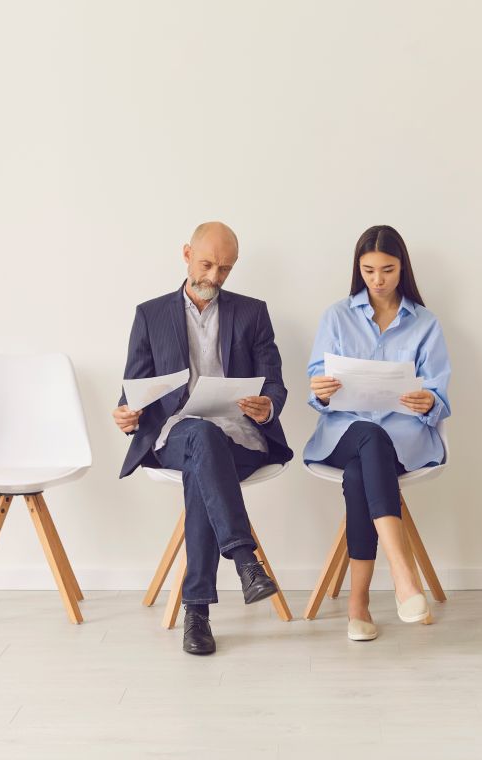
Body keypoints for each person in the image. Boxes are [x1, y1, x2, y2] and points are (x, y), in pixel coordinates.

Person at [114, 221, 293, 656]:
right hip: (175, 434)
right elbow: (133, 390)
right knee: (198, 436)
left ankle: (198, 610)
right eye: (207, 264)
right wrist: (126, 413)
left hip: (239, 437)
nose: (214, 276)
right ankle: (245, 561)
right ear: (186, 254)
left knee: (205, 456)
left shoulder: (252, 312)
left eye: (225, 269)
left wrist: (267, 406)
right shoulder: (150, 314)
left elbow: (275, 383)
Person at [304, 225, 451, 642]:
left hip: (403, 441)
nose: (378, 280)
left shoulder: (426, 323)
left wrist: (429, 403)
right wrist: (322, 391)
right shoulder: (336, 316)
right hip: (342, 434)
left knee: (360, 475)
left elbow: (439, 394)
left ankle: (359, 605)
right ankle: (403, 575)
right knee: (367, 433)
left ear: (402, 267)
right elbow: (317, 385)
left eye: (387, 269)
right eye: (368, 270)